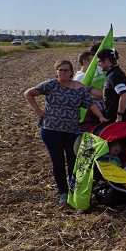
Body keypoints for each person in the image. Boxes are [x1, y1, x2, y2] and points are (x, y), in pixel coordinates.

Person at [24, 60, 107, 204]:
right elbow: (29, 94)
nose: (62, 73)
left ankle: (74, 191)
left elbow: (90, 103)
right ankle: (62, 192)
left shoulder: (78, 89)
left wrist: (100, 116)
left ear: (71, 73)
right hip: (51, 131)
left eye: (66, 70)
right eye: (60, 70)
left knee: (73, 162)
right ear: (56, 72)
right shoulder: (50, 85)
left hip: (72, 132)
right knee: (58, 163)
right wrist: (38, 110)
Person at [97, 49, 126, 124]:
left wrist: (119, 116)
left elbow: (124, 95)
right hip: (114, 119)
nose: (98, 64)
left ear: (106, 60)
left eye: (99, 61)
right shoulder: (112, 74)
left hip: (119, 121)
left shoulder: (114, 76)